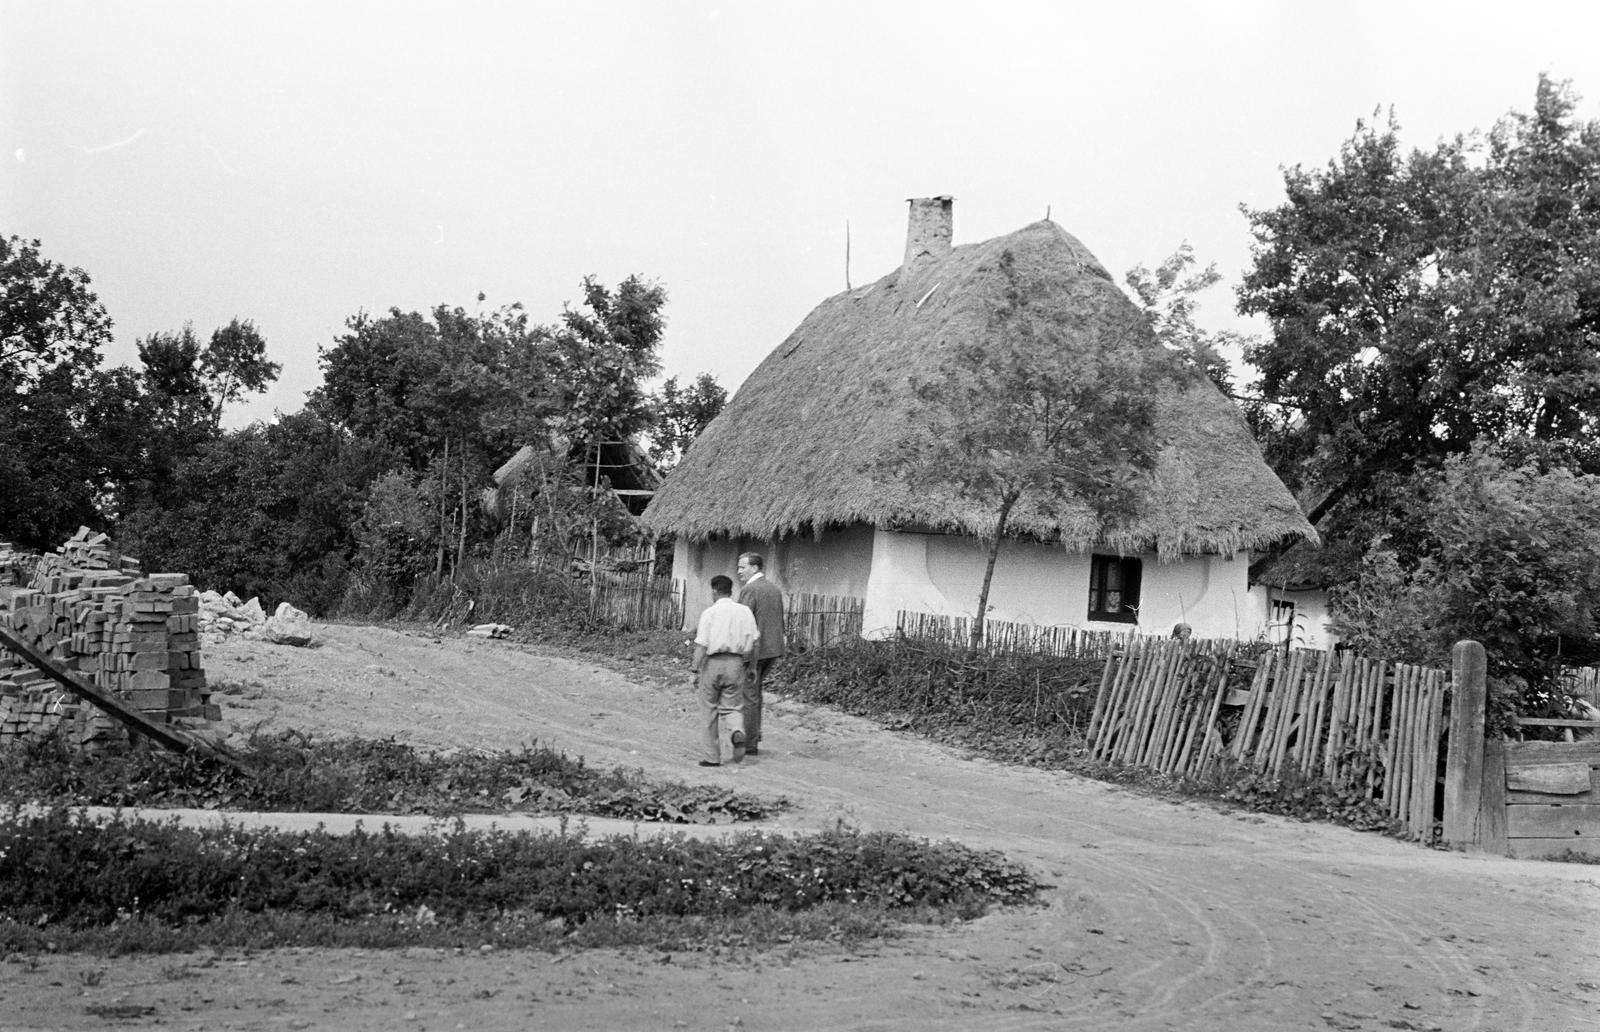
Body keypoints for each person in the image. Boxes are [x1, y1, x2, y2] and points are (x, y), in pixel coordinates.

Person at [690, 574, 757, 767]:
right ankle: (737, 730)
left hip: (713, 663)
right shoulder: (745, 612)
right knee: (733, 706)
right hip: (736, 663)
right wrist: (752, 666)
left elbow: (702, 645)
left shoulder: (709, 613)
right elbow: (754, 642)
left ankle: (712, 757)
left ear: (714, 591)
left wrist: (694, 670)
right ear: (731, 591)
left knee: (709, 709)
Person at [735, 551, 785, 756]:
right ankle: (754, 734)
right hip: (772, 649)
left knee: (749, 695)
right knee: (755, 693)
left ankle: (750, 744)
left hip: (754, 651)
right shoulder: (774, 589)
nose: (739, 571)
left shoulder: (749, 589)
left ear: (754, 567)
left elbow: (743, 622)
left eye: (742, 567)